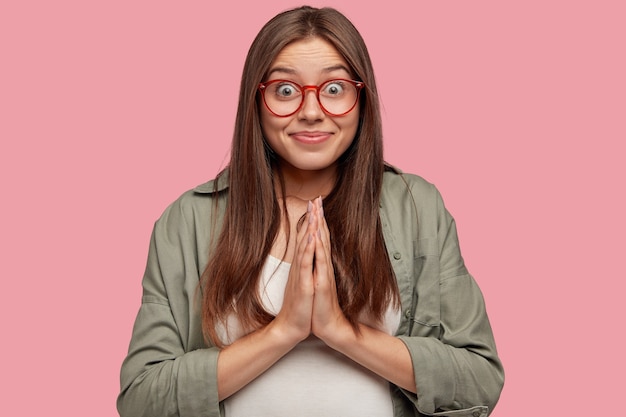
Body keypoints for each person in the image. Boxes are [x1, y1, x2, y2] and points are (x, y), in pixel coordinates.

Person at [117, 5, 504, 417]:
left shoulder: (417, 207)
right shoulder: (188, 221)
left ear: (362, 97)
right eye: (285, 90)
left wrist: (341, 331)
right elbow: (142, 398)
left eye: (334, 88)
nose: (311, 110)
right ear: (257, 98)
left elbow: (479, 379)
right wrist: (284, 330)